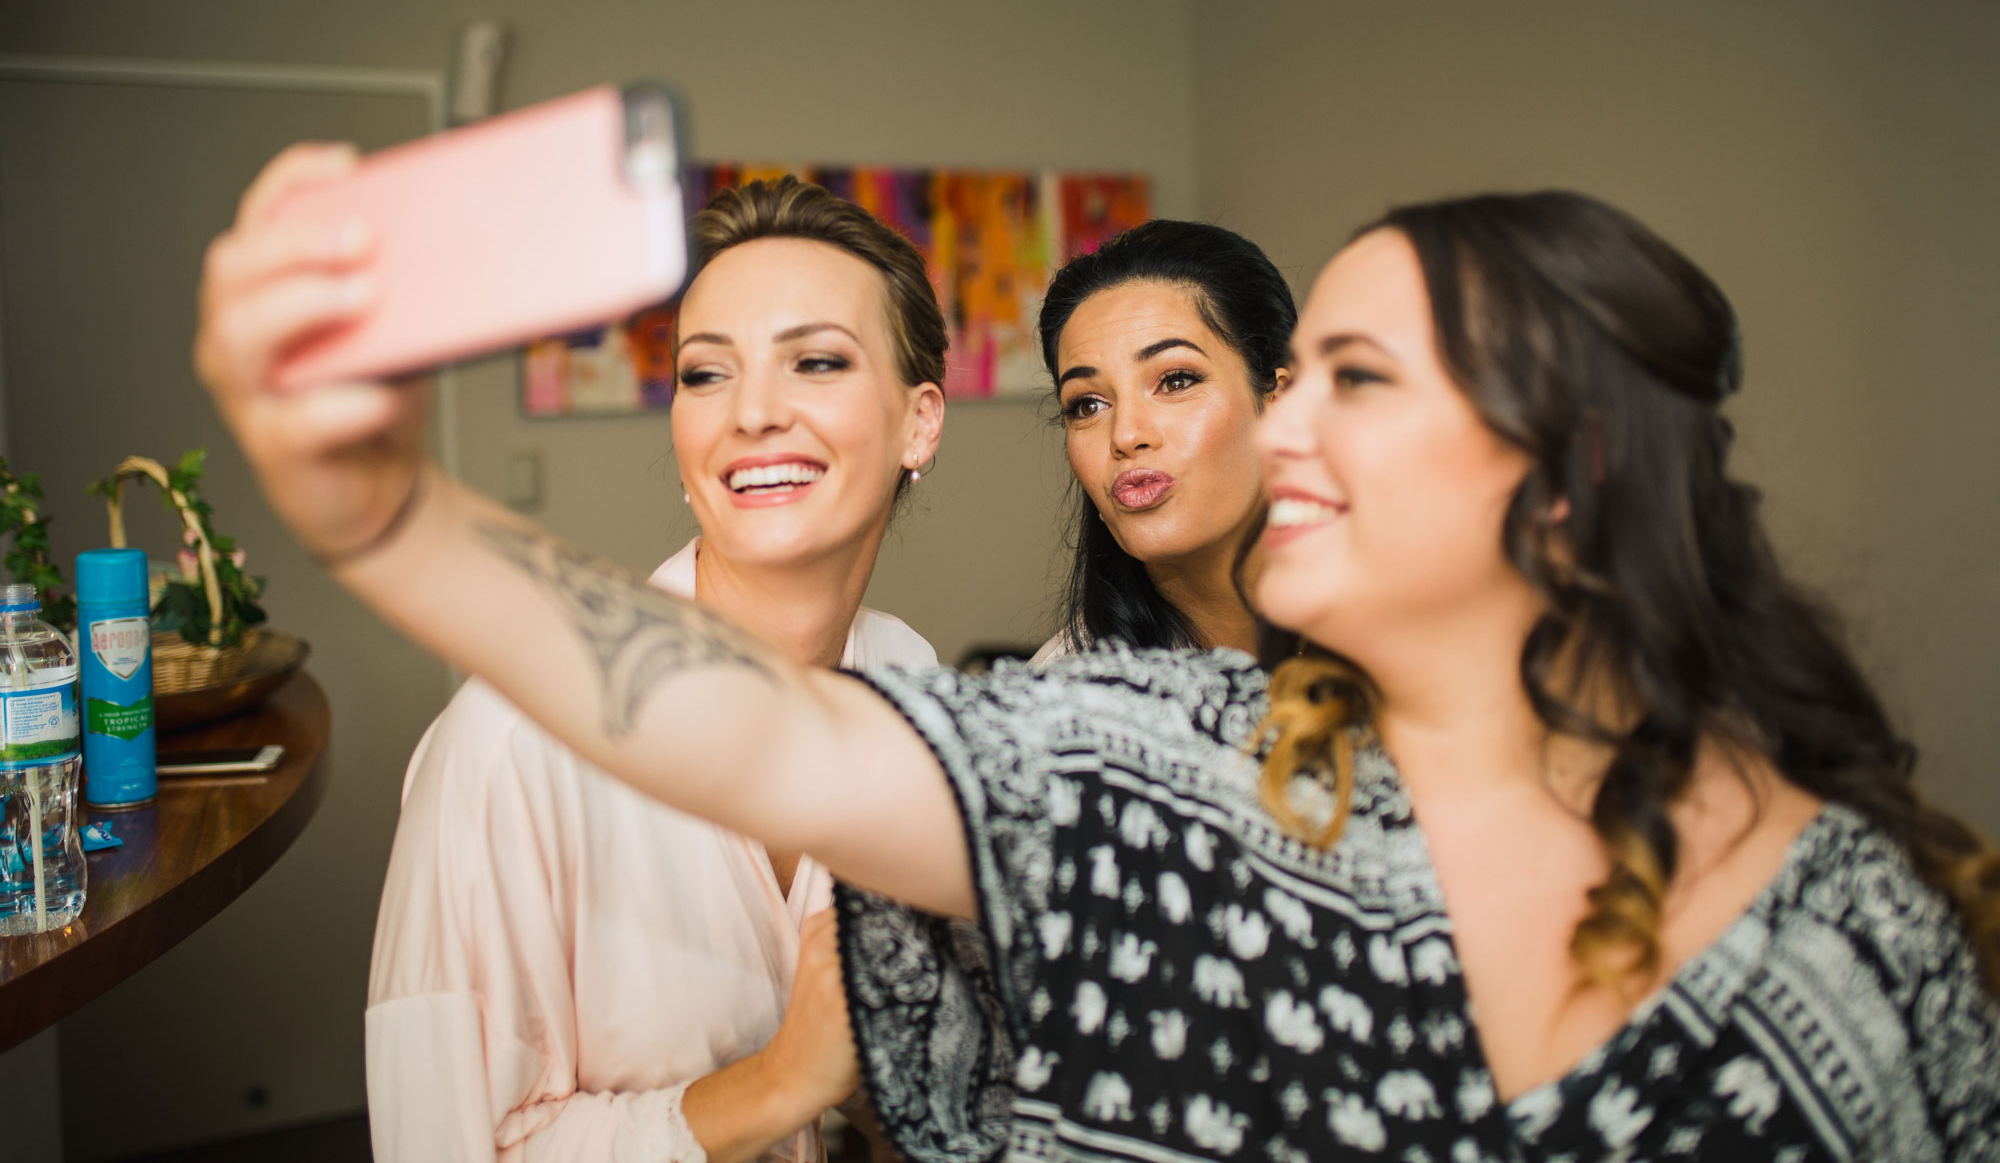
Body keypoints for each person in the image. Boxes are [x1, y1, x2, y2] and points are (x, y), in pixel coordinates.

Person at [200, 159, 2000, 1161]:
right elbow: (722, 712)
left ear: (1567, 473)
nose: (1254, 432)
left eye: (1340, 377)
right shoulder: (1150, 762)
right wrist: (381, 513)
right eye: (707, 369)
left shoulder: (1861, 925)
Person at [363, 175, 946, 1162]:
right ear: (683, 449)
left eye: (814, 360)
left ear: (918, 422)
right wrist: (777, 1081)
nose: (752, 412)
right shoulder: (512, 746)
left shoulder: (913, 683)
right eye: (706, 374)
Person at [1032, 221, 1296, 662]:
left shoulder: (1425, 636)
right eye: (1087, 405)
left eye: (1175, 381)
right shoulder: (1067, 698)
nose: (1127, 435)